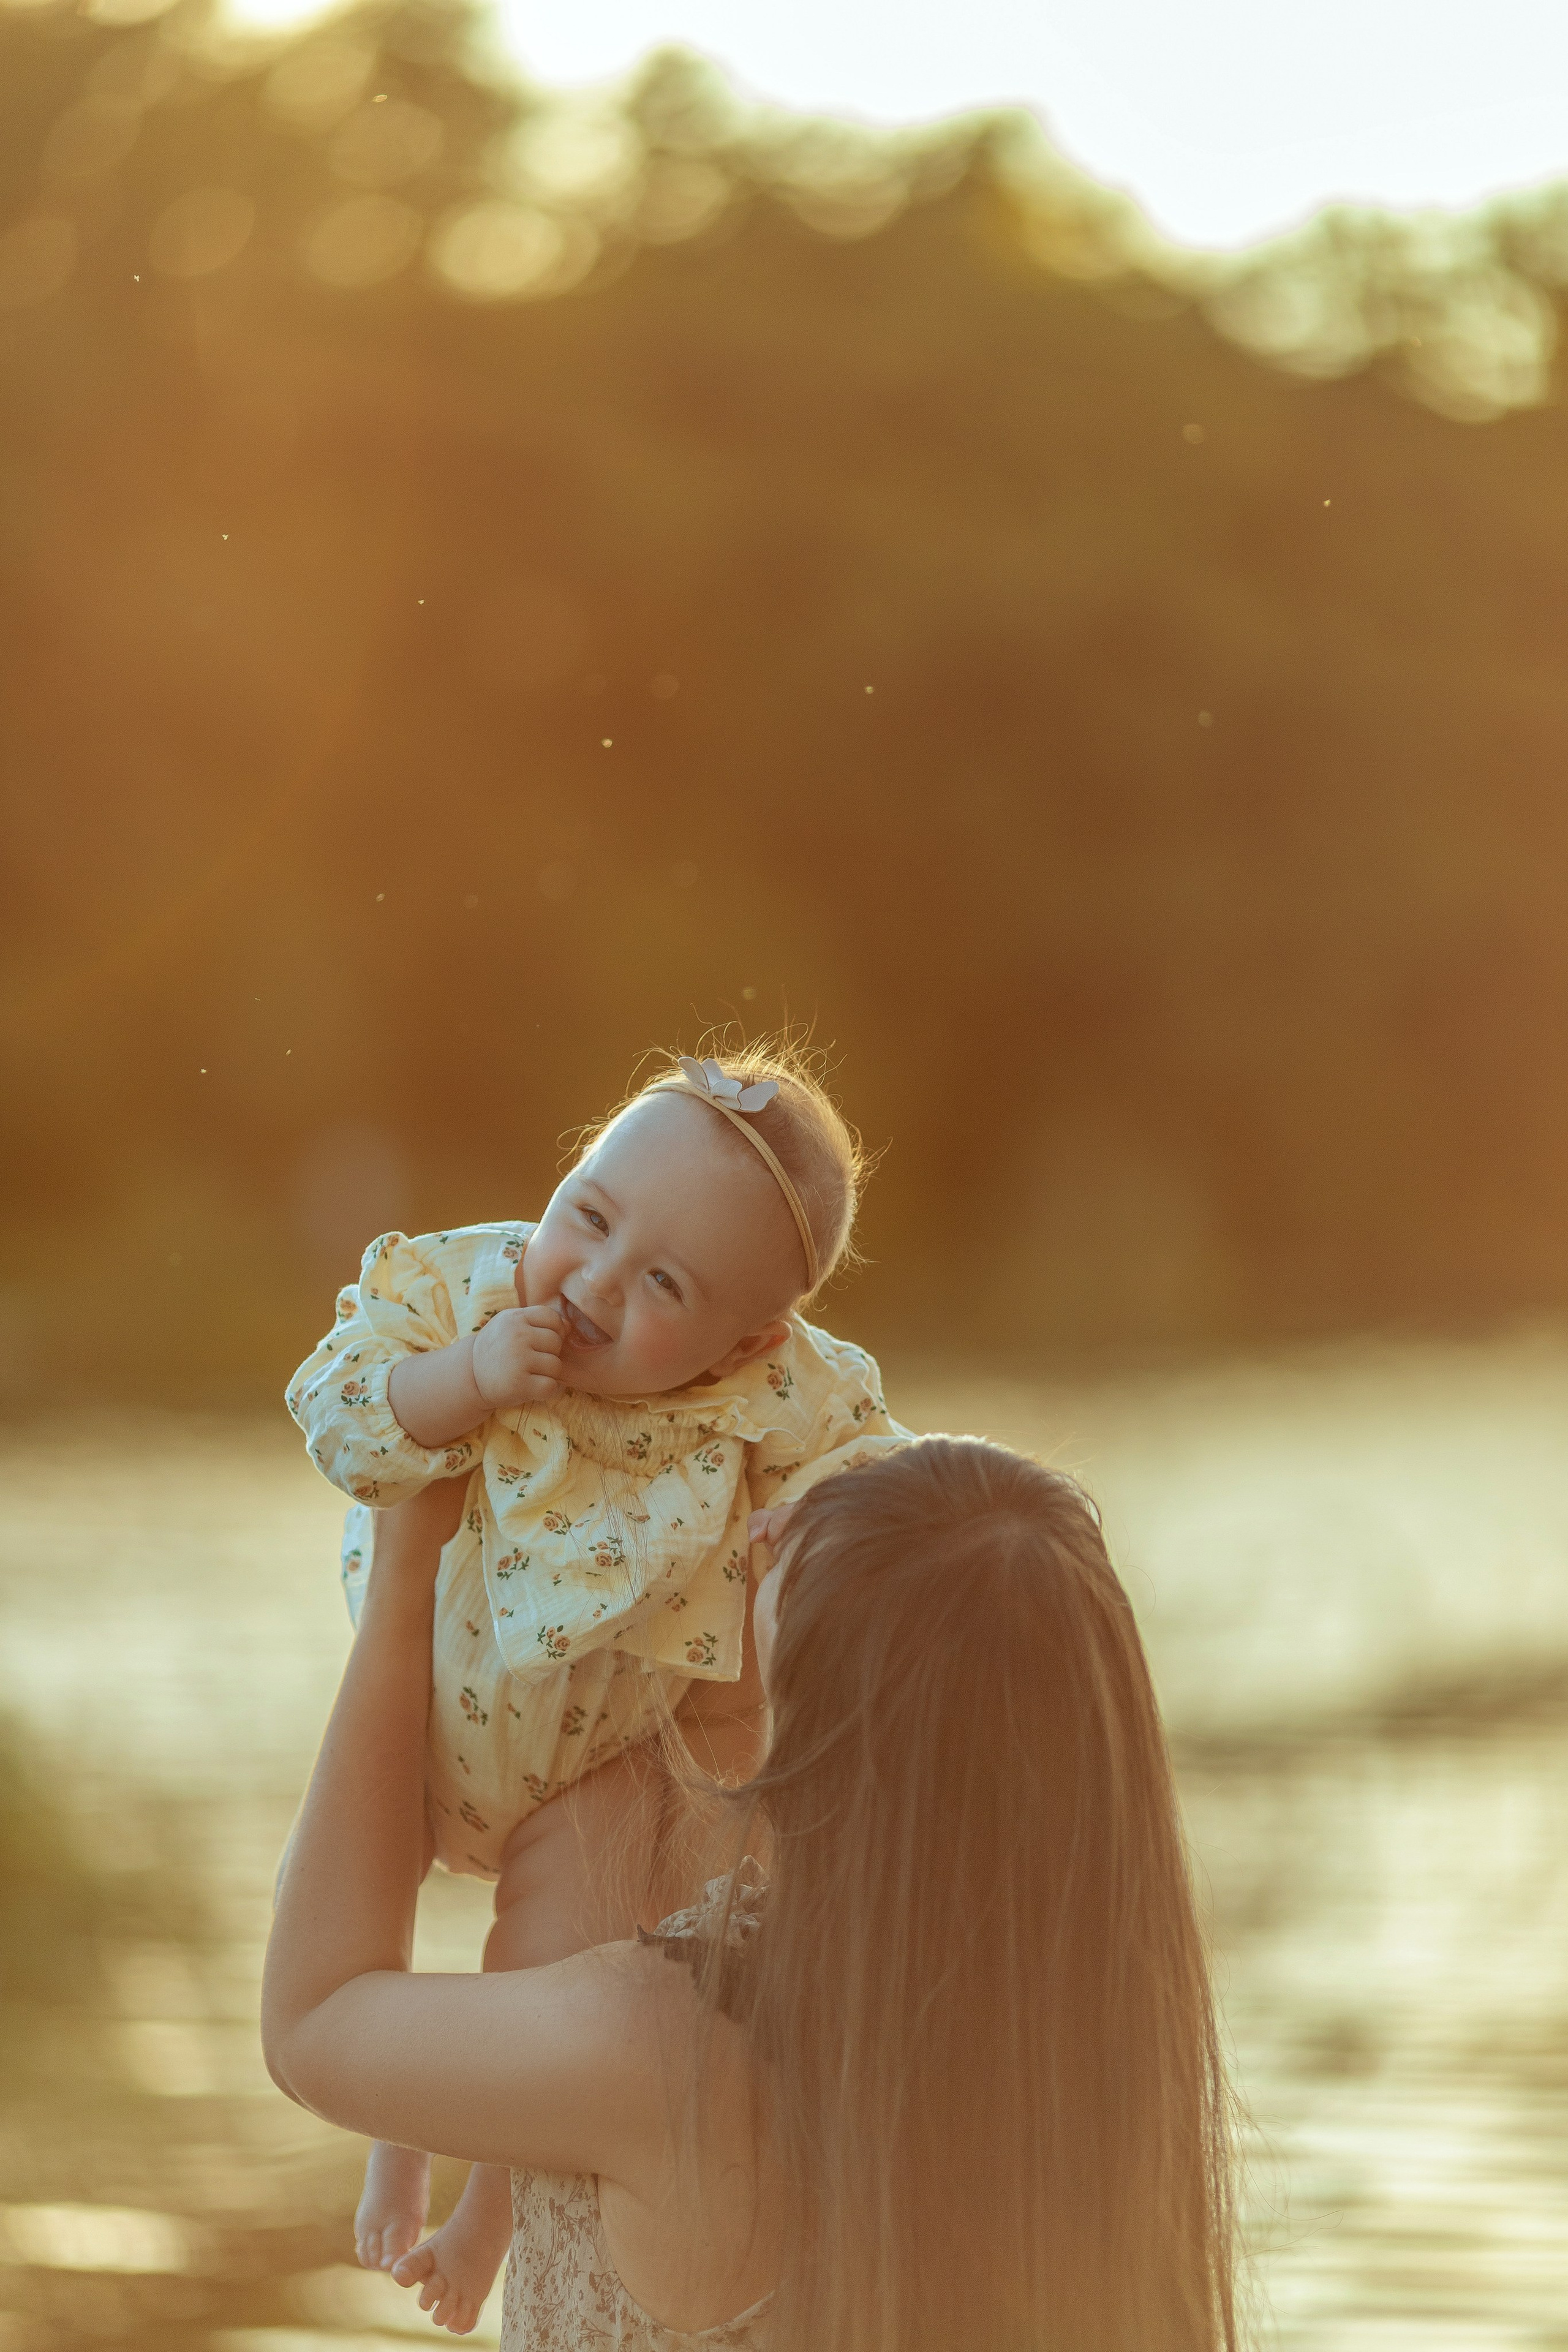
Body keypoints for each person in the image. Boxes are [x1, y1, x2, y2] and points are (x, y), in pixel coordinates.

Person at [263, 1434, 1241, 2351]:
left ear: (835, 1710)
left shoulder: (668, 2042)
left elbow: (314, 2019)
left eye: (797, 1549)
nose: (764, 1527)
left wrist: (405, 1571)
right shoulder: (1096, 2043)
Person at [284, 1040, 908, 2325]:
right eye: (591, 1216)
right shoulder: (470, 1291)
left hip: (591, 1754)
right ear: (566, 1174)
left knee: (554, 1954)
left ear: (751, 1333)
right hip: (430, 1702)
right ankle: (395, 2138)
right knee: (374, 1908)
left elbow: (872, 1472)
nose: (594, 1285)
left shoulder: (763, 1390)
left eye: (662, 1283)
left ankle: (478, 2221)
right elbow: (336, 1403)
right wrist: (457, 1384)